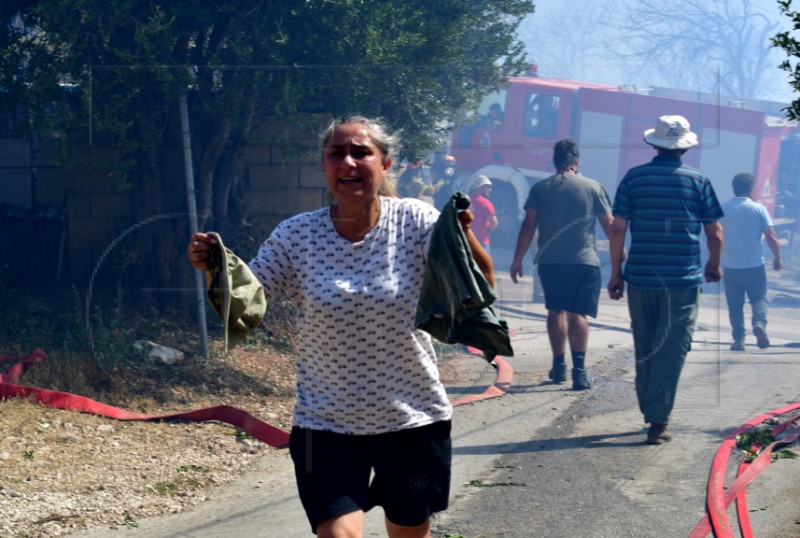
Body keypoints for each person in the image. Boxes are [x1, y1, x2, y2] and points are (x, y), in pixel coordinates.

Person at [187, 115, 494, 538]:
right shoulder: (296, 235)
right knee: (339, 535)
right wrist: (212, 268)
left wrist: (464, 240)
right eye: (336, 153)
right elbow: (245, 306)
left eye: (361, 152)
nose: (348, 162)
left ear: (385, 164)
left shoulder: (416, 222)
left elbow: (479, 289)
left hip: (411, 419)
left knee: (407, 531)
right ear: (324, 165)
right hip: (325, 422)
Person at [606, 115, 724, 445]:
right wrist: (714, 265)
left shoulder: (634, 178)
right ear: (684, 147)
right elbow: (714, 231)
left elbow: (618, 228)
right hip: (682, 280)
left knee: (646, 346)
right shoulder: (699, 181)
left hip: (641, 278)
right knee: (671, 348)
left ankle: (652, 408)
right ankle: (657, 419)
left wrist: (616, 273)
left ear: (655, 144)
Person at [509, 139, 614, 391]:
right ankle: (579, 372)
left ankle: (559, 367)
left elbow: (528, 225)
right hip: (584, 262)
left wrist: (517, 258)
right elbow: (610, 226)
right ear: (576, 162)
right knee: (578, 313)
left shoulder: (541, 188)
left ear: (555, 162)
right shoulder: (593, 187)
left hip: (550, 261)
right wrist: (621, 258)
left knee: (555, 310)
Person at [721, 172, 782, 351]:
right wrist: (777, 258)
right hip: (754, 265)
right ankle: (759, 323)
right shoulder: (758, 209)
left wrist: (715, 260)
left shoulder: (722, 208)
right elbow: (771, 236)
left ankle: (739, 340)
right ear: (751, 189)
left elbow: (715, 235)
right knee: (759, 298)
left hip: (731, 265)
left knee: (734, 304)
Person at [468, 175, 499, 253]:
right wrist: (487, 229)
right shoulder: (486, 203)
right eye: (488, 187)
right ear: (480, 187)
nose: (490, 190)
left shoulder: (465, 200)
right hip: (481, 242)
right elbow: (494, 224)